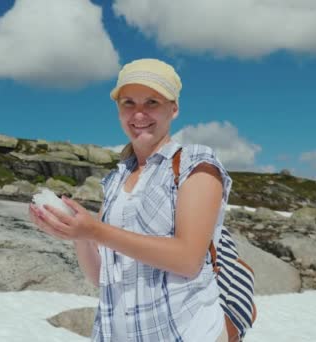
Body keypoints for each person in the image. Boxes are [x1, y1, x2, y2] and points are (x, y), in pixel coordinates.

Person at [28, 58, 232, 342]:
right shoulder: (116, 179)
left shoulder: (195, 163)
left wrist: (94, 230)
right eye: (128, 103)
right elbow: (101, 274)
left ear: (173, 109)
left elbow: (187, 259)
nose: (138, 114)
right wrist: (77, 235)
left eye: (152, 102)